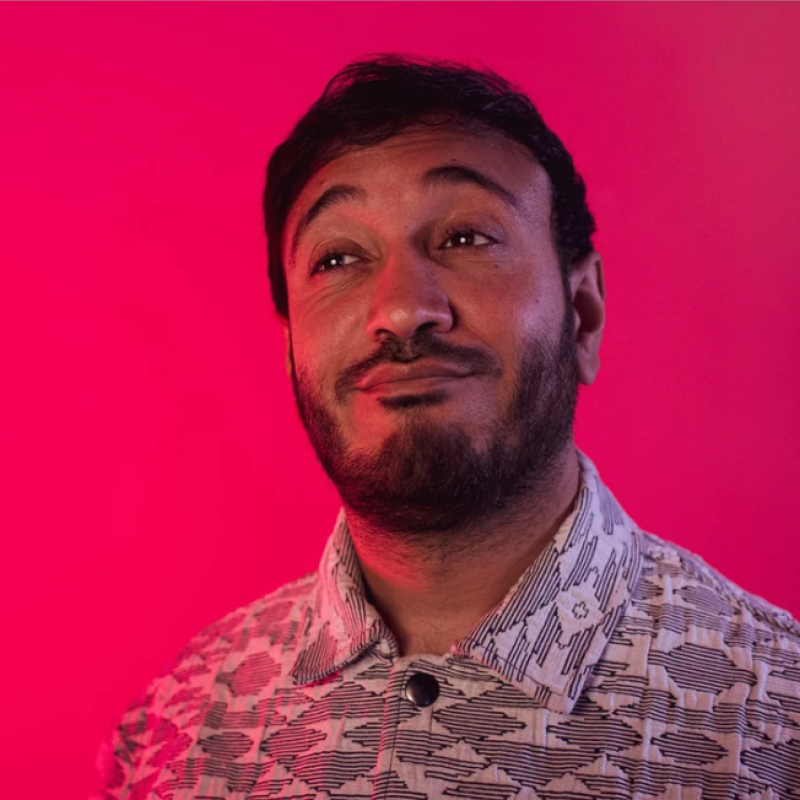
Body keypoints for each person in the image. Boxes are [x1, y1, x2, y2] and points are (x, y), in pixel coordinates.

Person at [96, 55, 800, 800]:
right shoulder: (176, 727)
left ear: (583, 312)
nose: (401, 310)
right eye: (338, 257)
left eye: (464, 238)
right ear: (292, 348)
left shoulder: (777, 721)